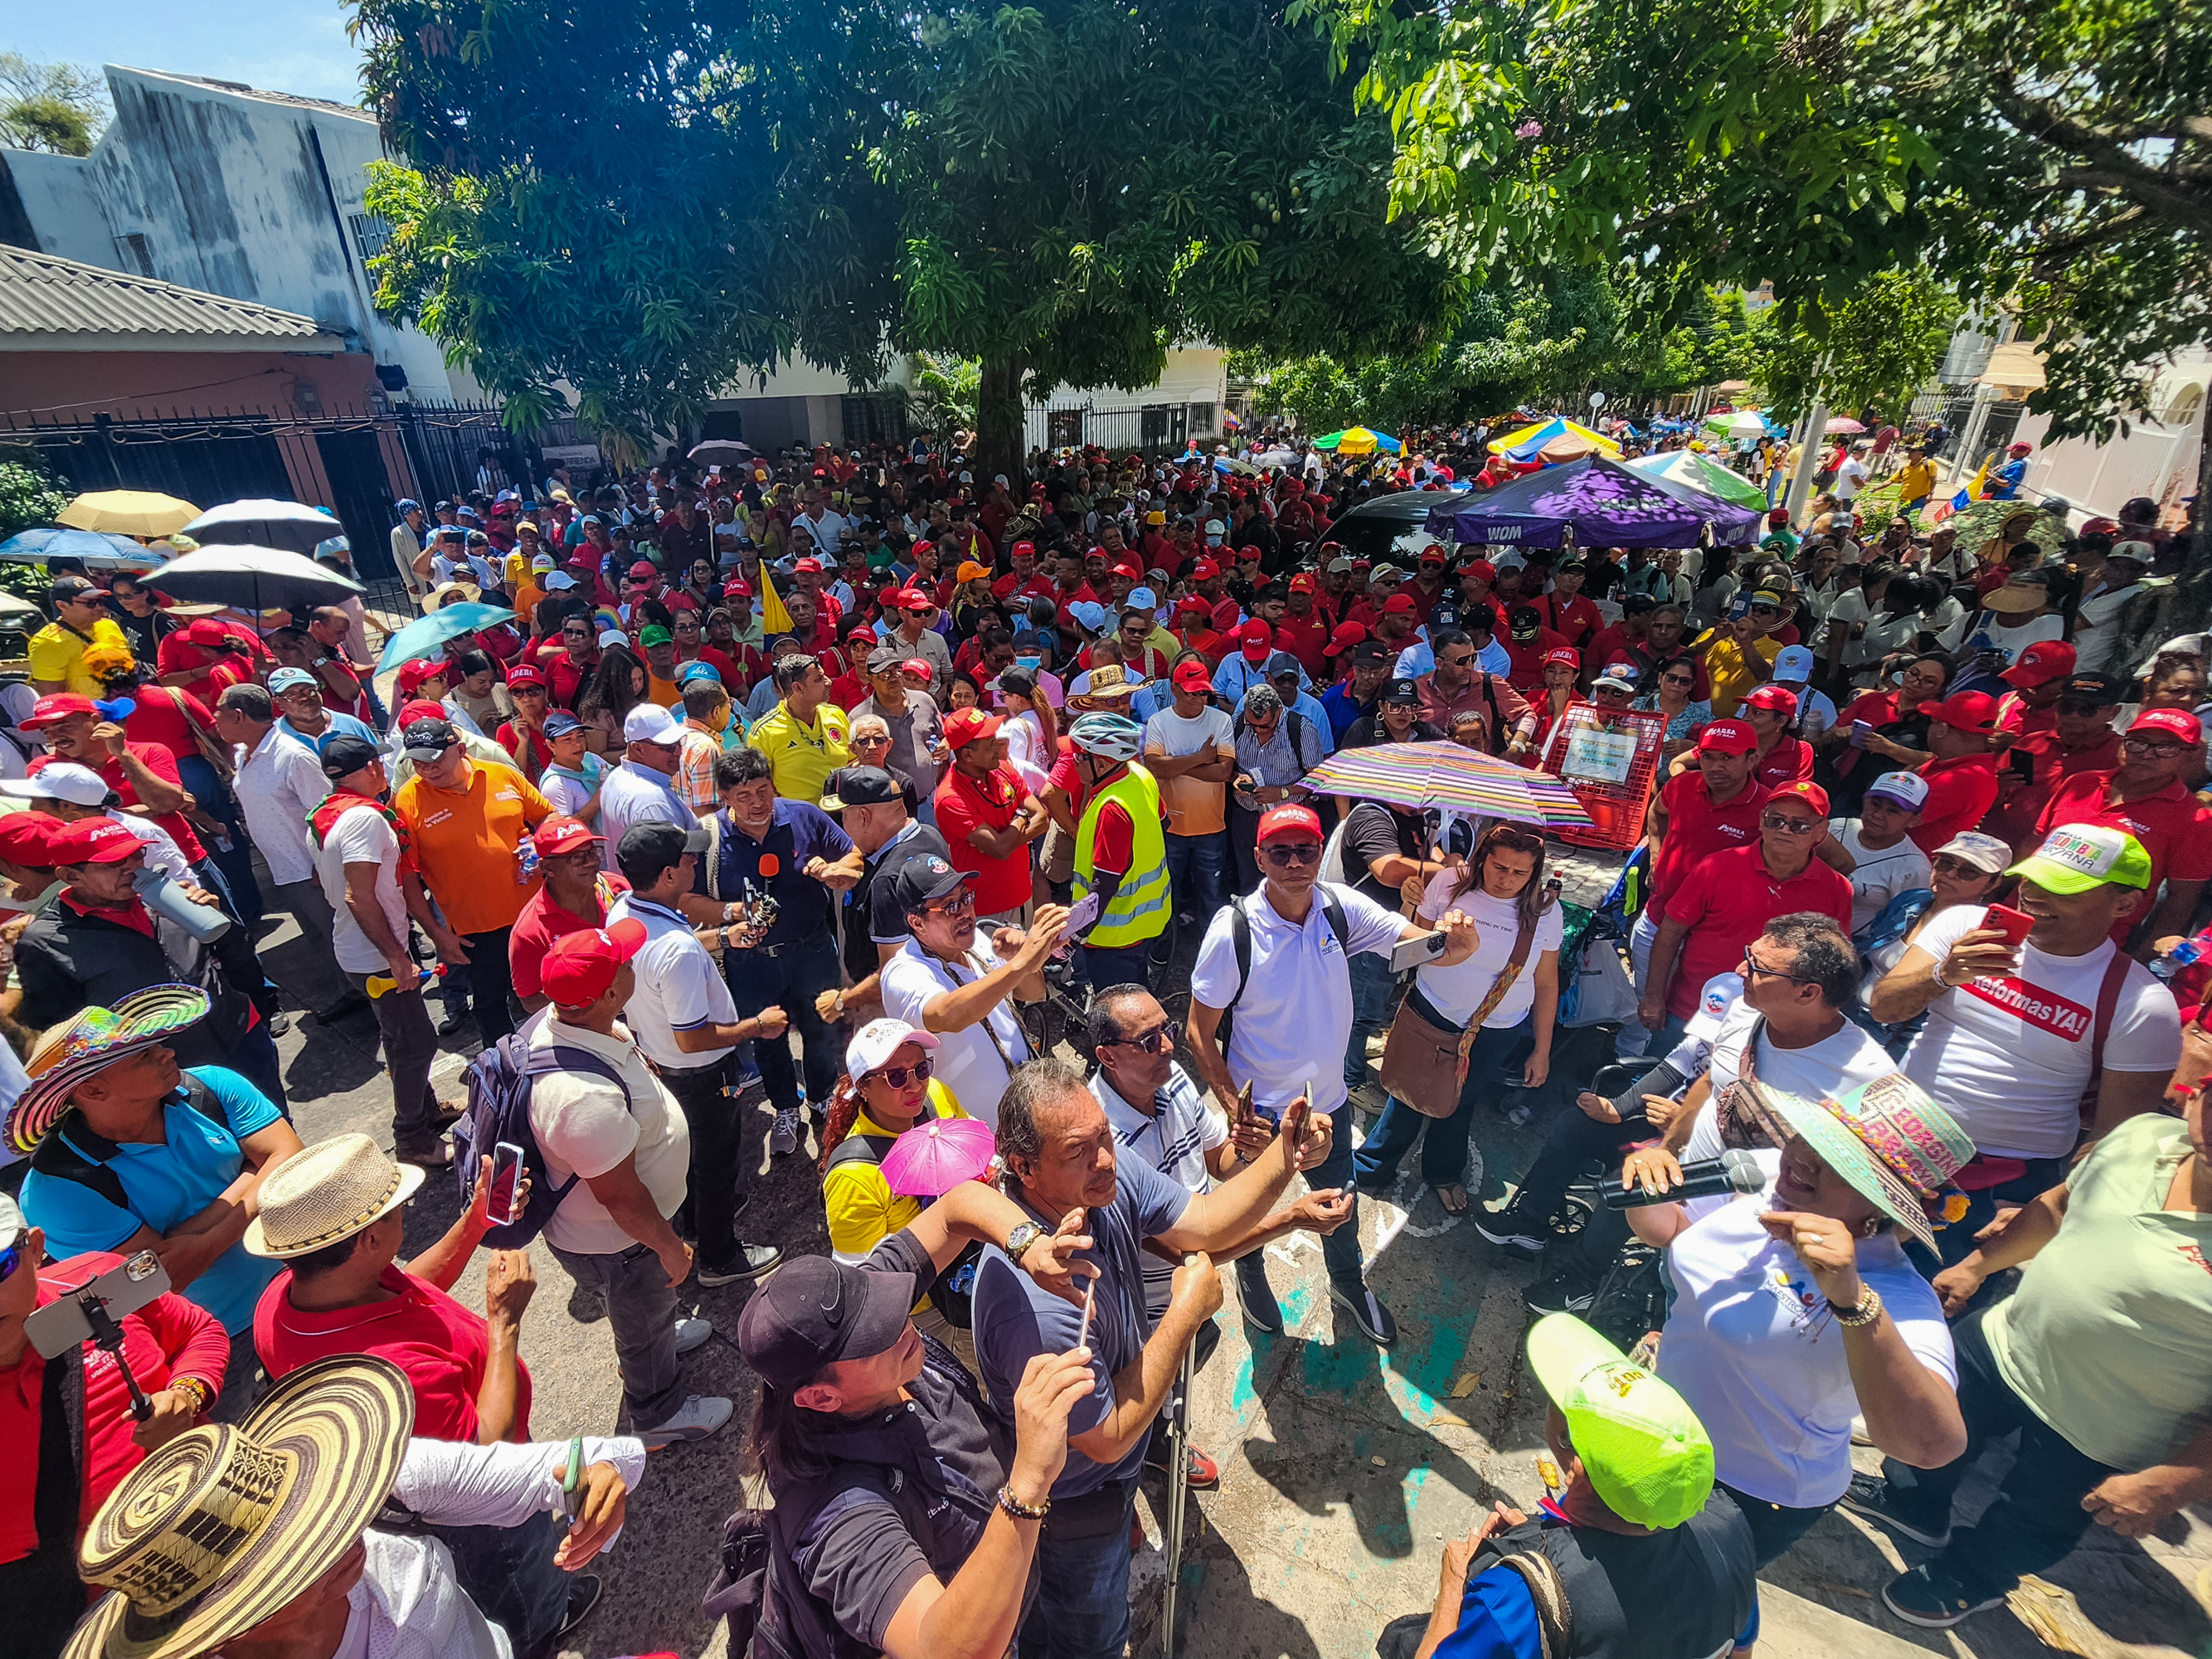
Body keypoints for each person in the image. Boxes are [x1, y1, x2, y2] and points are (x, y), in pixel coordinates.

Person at [969, 1057, 1339, 1659]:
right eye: (1078, 1152)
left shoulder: (1099, 1181)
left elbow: (1203, 1223)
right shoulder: (1036, 1303)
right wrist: (1184, 1312)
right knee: (1084, 1635)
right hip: (1071, 1506)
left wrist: (1285, 1155)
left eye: (1105, 1139)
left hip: (1115, 1467)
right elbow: (1107, 1437)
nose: (1106, 1160)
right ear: (1024, 1168)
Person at [1621, 1065, 1971, 1653]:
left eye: (1841, 1164)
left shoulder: (1899, 1298)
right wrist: (1645, 1189)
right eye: (1810, 1138)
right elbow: (1676, 1234)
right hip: (1661, 1433)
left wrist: (1851, 1300)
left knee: (1664, 1619)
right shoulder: (1767, 1188)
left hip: (1746, 1492)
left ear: (1882, 1207)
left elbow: (1930, 1447)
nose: (1803, 1159)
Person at [1844, 1080, 2212, 1628]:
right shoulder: (2141, 1137)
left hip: (2106, 1425)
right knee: (1935, 1432)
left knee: (2033, 1517)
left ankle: (1976, 1576)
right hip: (2003, 1342)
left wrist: (2180, 1478)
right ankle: (1912, 1503)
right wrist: (1977, 1265)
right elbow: (2058, 1207)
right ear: (2195, 1096)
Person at [242, 1136, 602, 1657]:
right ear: (367, 1241)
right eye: (394, 1209)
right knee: (520, 1594)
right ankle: (543, 1625)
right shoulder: (392, 1374)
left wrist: (477, 1219)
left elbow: (408, 1282)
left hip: (411, 1493)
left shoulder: (288, 1298)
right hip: (481, 1513)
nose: (405, 1211)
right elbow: (486, 1456)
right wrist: (503, 1324)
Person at [732, 1207, 1101, 1659]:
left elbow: (954, 1211)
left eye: (885, 1305)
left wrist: (1028, 1244)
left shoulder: (852, 1306)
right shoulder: (837, 1517)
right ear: (822, 1397)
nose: (902, 1322)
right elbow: (942, 1648)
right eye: (874, 1337)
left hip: (1019, 1576)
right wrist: (1027, 1482)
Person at [1186, 804, 1446, 1346]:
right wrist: (1235, 1109)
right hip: (1260, 1116)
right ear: (1259, 857)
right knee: (1246, 1213)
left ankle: (1348, 1286)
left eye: (1305, 849)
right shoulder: (1233, 931)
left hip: (1325, 1105)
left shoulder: (1337, 908)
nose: (1294, 862)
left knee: (1339, 1210)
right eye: (1279, 851)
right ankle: (1250, 1277)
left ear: (1319, 850)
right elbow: (1197, 1030)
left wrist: (1444, 934)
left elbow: (1416, 949)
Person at [1869, 825, 2181, 1262]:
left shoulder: (2143, 1004)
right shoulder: (1964, 925)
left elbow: (2112, 1143)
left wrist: (2044, 1214)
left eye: (2063, 889)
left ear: (2125, 904)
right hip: (1888, 1138)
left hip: (1997, 1185)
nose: (2034, 896)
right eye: (2033, 879)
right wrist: (1944, 974)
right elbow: (1884, 1007)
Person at [1378, 1314, 1755, 1659]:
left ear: (1574, 1466)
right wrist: (1544, 1537)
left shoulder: (1515, 1602)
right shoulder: (1729, 1529)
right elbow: (1738, 1649)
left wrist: (1453, 1585)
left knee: (1402, 1640)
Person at [9, 987, 302, 1423]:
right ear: (92, 1088)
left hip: (297, 1284)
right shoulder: (57, 1188)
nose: (167, 1052)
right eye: (143, 1055)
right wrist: (254, 1171)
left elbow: (294, 1157)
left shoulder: (212, 1086)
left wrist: (201, 1238)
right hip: (207, 1339)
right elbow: (165, 1277)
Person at [527, 922, 732, 1446]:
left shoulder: (569, 1023)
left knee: (649, 1313)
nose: (631, 961)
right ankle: (657, 1413)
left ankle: (660, 1334)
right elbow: (619, 1198)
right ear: (612, 993)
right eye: (623, 962)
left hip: (622, 1234)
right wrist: (670, 1248)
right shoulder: (580, 1098)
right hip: (621, 1243)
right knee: (639, 1321)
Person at [0, 1195, 230, 1659]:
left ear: (36, 1247)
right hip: (44, 1615)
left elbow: (198, 1332)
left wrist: (187, 1396)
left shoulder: (97, 1284)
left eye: (0, 1265)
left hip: (198, 1539)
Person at [608, 821, 786, 1286]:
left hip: (659, 1062)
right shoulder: (679, 952)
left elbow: (667, 950)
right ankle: (720, 1257)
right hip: (699, 1071)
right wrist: (755, 1027)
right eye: (687, 858)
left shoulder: (623, 910)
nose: (695, 861)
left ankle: (697, 1224)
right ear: (668, 875)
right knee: (717, 1162)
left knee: (687, 1157)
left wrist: (724, 938)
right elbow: (693, 1036)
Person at [1354, 823, 1560, 1209]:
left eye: (1520, 873)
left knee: (1463, 1102)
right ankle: (1372, 1165)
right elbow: (1410, 951)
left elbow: (1547, 983)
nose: (1507, 880)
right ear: (1483, 858)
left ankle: (1444, 1171)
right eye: (1499, 867)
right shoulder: (1449, 883)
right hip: (1432, 1013)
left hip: (1497, 1029)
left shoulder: (1546, 911)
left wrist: (1542, 1050)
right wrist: (1410, 904)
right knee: (1407, 1095)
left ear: (1536, 873)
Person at [13, 819, 284, 1109]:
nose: (132, 866)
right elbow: (61, 1033)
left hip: (243, 1040)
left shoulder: (167, 895)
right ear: (70, 875)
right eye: (113, 862)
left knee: (283, 1133)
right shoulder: (46, 942)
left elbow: (239, 959)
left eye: (136, 854)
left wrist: (221, 923)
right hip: (172, 1074)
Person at [699, 747, 862, 1155]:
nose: (757, 803)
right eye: (744, 796)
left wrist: (835, 870)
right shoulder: (710, 837)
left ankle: (823, 1096)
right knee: (767, 1038)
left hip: (812, 950)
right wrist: (730, 916)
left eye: (762, 790)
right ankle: (786, 1108)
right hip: (751, 962)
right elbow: (687, 898)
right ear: (725, 798)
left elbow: (853, 855)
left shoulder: (804, 815)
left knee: (822, 1028)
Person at [309, 737, 455, 1168]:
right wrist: (396, 956)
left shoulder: (324, 815)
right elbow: (359, 896)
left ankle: (426, 1111)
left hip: (360, 946)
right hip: (373, 951)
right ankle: (412, 1138)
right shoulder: (364, 820)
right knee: (415, 1042)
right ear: (373, 767)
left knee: (400, 1039)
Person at [1639, 781, 1855, 1053]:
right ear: (1762, 822)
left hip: (1773, 1024)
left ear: (1821, 832)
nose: (1785, 830)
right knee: (1653, 1084)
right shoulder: (1716, 867)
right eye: (1776, 820)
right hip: (1691, 1010)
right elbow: (1670, 933)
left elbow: (1832, 967)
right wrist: (1653, 997)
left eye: (1799, 825)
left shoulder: (1836, 890)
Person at [393, 715, 552, 1050]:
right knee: (490, 1003)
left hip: (536, 914)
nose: (427, 769)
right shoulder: (408, 801)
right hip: (475, 930)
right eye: (418, 762)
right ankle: (505, 1073)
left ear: (461, 749)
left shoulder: (501, 774)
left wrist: (541, 847)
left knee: (551, 988)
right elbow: (407, 876)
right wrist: (437, 935)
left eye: (435, 759)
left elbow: (547, 817)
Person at [879, 855, 1067, 1128]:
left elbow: (1034, 993)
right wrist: (1019, 963)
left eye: (966, 898)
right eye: (949, 906)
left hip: (1030, 1105)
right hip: (981, 1136)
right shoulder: (903, 971)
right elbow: (946, 1015)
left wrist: (1024, 964)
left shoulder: (977, 939)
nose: (965, 912)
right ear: (917, 923)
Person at [211, 684, 357, 1023]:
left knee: (343, 937)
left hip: (311, 869)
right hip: (284, 869)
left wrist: (324, 866)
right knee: (319, 938)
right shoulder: (243, 755)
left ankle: (381, 1002)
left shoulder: (292, 756)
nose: (213, 718)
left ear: (239, 716)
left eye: (218, 711)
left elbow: (327, 812)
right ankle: (350, 993)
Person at [2035, 708, 2212, 947]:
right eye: (2138, 742)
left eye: (2166, 748)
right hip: (2025, 909)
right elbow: (2036, 844)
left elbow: (2180, 900)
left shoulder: (2195, 819)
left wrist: (2146, 955)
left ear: (2190, 756)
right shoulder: (2082, 783)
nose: (2147, 754)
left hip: (2090, 940)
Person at [1064, 713, 1169, 990]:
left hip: (1112, 938)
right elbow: (1163, 821)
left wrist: (1074, 936)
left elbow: (1105, 884)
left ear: (1100, 762)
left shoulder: (1112, 809)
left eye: (1077, 758)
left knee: (1119, 1016)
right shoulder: (1140, 775)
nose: (1074, 764)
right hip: (1147, 924)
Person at [1140, 659, 1237, 930]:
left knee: (1212, 894)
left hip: (1211, 826)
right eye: (1192, 691)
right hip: (1170, 825)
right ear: (1175, 689)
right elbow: (1154, 765)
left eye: (1203, 692)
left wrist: (1176, 765)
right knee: (1165, 892)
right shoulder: (1160, 721)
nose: (1198, 697)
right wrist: (1202, 757)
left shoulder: (1221, 719)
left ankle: (1213, 945)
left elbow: (1223, 773)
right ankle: (1164, 943)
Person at [934, 708, 1047, 927]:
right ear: (967, 754)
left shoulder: (1004, 769)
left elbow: (1042, 818)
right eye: (990, 743)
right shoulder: (951, 797)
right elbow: (1000, 850)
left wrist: (1009, 834)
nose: (999, 746)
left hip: (1023, 894)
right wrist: (1022, 817)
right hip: (986, 911)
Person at [1821, 771, 1933, 933]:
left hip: (1855, 947)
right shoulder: (1836, 827)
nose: (1878, 815)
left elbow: (1905, 925)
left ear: (1914, 820)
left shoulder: (1914, 867)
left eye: (1893, 811)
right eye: (1875, 804)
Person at [592, 701, 700, 864]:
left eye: (679, 743)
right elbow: (669, 868)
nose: (678, 752)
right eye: (668, 747)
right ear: (638, 749)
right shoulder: (652, 801)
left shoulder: (615, 776)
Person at [751, 654, 853, 805]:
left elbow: (853, 760)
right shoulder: (765, 731)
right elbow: (758, 785)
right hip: (797, 818)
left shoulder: (835, 714)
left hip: (843, 812)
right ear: (798, 688)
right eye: (819, 679)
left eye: (825, 676)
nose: (828, 682)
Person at [1905, 690, 2001, 851]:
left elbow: (1890, 820)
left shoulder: (1967, 778)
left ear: (1943, 729)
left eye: (1933, 721)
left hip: (1900, 867)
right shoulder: (1950, 765)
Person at [27, 577, 130, 698]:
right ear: (62, 606)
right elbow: (53, 698)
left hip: (126, 706)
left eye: (101, 601)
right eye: (90, 603)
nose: (99, 607)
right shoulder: (49, 642)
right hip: (89, 714)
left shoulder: (109, 625)